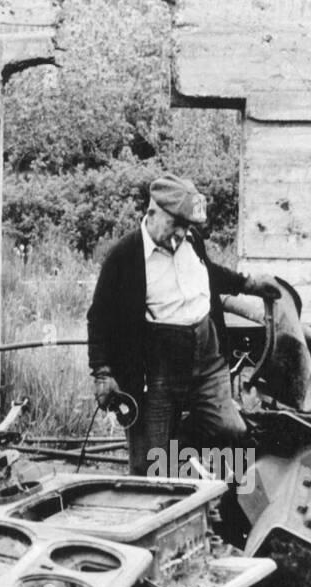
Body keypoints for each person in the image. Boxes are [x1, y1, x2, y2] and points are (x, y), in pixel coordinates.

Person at [86, 173, 282, 476]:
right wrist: (102, 372)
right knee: (149, 464)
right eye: (174, 224)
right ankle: (164, 498)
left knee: (234, 433)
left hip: (207, 360)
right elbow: (98, 318)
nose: (181, 233)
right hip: (158, 371)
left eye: (186, 226)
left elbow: (209, 273)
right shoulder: (124, 257)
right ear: (152, 214)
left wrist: (249, 284)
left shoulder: (191, 241)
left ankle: (231, 505)